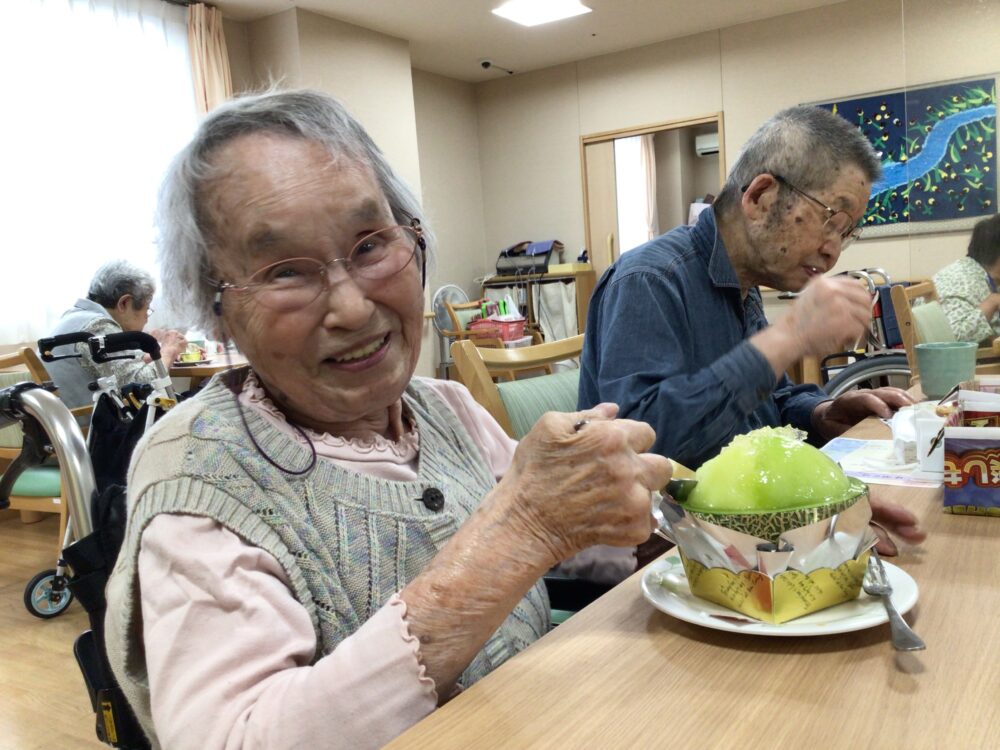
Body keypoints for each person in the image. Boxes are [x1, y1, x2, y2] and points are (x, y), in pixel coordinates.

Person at [102, 90, 670, 750]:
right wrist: (523, 528)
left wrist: (646, 513)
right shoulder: (200, 479)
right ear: (216, 306)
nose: (350, 306)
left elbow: (586, 538)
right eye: (286, 270)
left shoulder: (444, 407)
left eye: (372, 244)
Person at [578, 105, 924, 550]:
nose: (833, 250)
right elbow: (642, 446)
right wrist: (787, 338)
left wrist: (822, 413)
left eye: (847, 232)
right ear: (761, 196)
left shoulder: (744, 284)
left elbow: (767, 403)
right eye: (830, 221)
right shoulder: (650, 279)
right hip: (655, 546)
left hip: (738, 520)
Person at [45, 260, 187, 408]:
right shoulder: (97, 326)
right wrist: (169, 350)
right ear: (124, 303)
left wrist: (151, 354)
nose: (146, 317)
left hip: (69, 421)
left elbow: (115, 367)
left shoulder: (76, 317)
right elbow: (146, 385)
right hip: (92, 426)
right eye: (147, 309)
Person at [934, 213, 1000, 343]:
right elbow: (951, 343)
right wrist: (992, 303)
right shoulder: (961, 281)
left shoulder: (976, 272)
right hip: (960, 362)